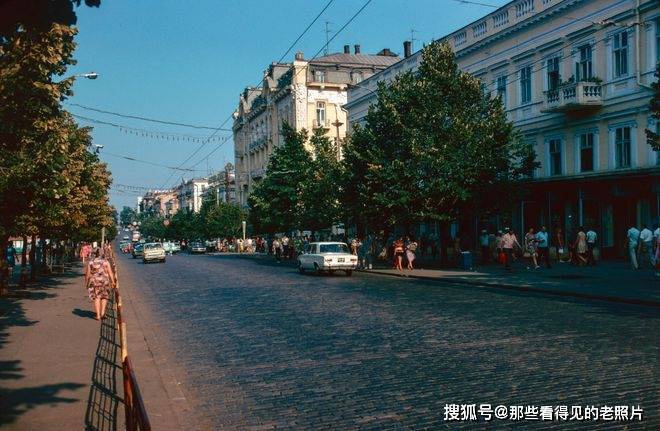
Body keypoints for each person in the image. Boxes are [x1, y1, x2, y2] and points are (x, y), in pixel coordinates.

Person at [84, 248, 116, 321]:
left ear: (94, 254)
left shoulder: (91, 262)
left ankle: (98, 315)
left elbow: (88, 274)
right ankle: (102, 313)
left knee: (97, 298)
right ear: (101, 254)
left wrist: (86, 283)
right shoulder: (105, 262)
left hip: (95, 283)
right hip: (105, 282)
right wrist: (113, 282)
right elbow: (110, 272)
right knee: (104, 297)